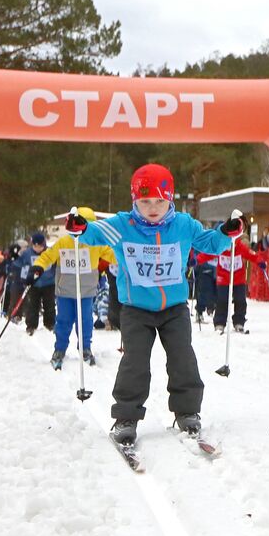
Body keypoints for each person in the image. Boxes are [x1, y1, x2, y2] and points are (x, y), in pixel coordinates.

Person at [71, 163, 243, 444]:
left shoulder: (184, 225)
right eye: (145, 201)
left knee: (182, 357)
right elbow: (92, 234)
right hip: (136, 309)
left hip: (174, 308)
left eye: (160, 201)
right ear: (134, 200)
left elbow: (210, 243)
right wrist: (79, 227)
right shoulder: (122, 226)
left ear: (170, 199)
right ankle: (126, 416)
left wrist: (227, 232)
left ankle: (187, 411)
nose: (153, 208)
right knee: (135, 361)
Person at [30, 208, 115, 369]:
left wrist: (126, 258)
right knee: (63, 320)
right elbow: (48, 256)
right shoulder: (64, 242)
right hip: (65, 291)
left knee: (85, 321)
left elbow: (111, 254)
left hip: (86, 291)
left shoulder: (96, 243)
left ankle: (85, 348)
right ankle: (59, 349)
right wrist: (38, 267)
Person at [203, 236, 266, 334]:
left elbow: (252, 255)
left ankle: (239, 322)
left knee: (240, 300)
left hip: (238, 279)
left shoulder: (241, 247)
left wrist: (260, 262)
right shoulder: (220, 247)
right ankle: (220, 323)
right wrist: (196, 260)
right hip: (223, 279)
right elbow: (208, 254)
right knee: (222, 300)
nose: (231, 248)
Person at [21, 233, 57, 336]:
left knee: (49, 304)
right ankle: (31, 325)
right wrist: (24, 279)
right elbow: (25, 267)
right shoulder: (27, 254)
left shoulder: (50, 252)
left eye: (40, 246)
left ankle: (50, 323)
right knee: (32, 305)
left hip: (49, 283)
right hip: (34, 284)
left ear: (44, 245)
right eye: (35, 246)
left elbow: (55, 266)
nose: (37, 249)